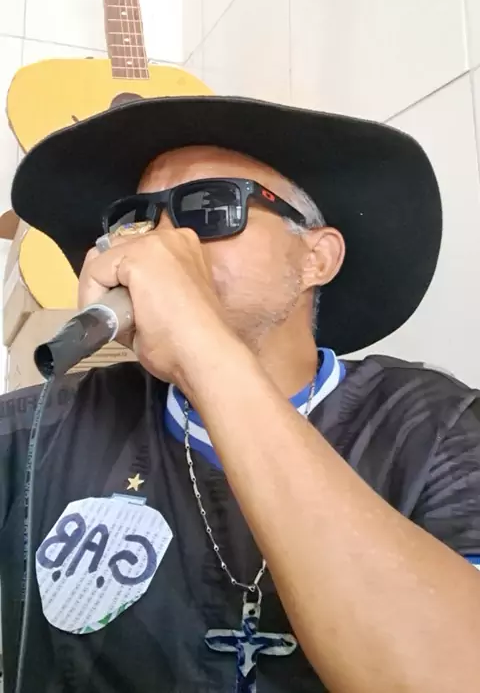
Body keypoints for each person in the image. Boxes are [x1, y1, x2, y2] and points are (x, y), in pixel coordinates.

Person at [3, 94, 480, 693]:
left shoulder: (434, 427)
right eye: (136, 220)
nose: (161, 246)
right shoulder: (40, 426)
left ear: (317, 258)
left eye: (209, 207)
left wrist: (205, 351)